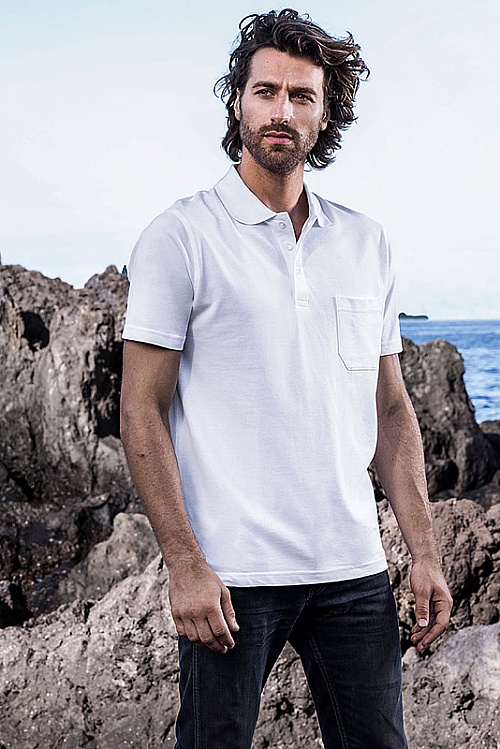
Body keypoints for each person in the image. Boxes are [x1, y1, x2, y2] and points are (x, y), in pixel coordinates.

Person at [120, 9, 453, 748]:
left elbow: (390, 410)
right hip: (230, 577)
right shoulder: (181, 237)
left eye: (302, 95)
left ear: (324, 114)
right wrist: (184, 563)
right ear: (237, 101)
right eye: (265, 90)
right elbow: (141, 409)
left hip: (353, 570)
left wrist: (424, 552)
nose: (282, 110)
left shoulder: (365, 242)